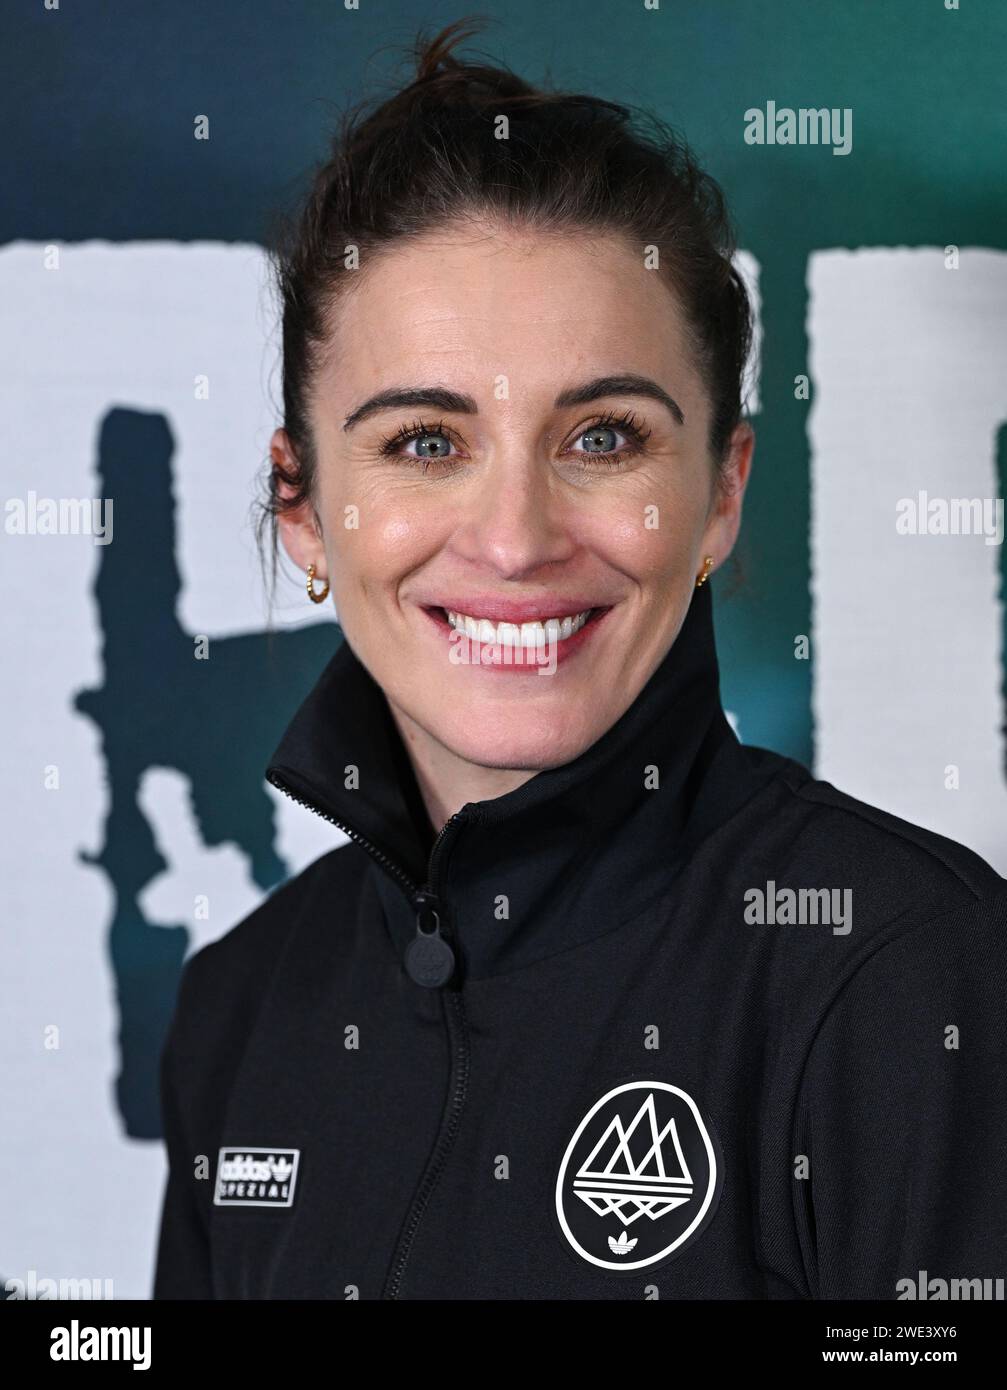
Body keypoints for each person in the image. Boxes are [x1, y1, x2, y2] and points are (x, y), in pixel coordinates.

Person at [152, 19, 1007, 1300]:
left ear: (720, 492)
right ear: (302, 505)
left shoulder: (908, 972)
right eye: (424, 443)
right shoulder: (240, 1010)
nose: (513, 540)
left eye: (602, 438)